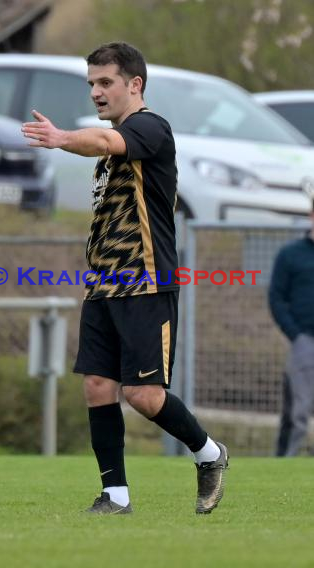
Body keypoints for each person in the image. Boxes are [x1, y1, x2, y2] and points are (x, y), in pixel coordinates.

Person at [22, 42, 228, 514]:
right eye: (91, 83)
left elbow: (104, 141)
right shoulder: (114, 144)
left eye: (106, 82)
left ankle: (209, 454)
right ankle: (115, 496)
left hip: (146, 282)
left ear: (134, 85)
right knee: (97, 385)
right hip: (104, 285)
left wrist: (60, 138)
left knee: (142, 395)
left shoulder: (150, 128)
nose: (96, 91)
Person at [269, 194, 314, 457]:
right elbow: (276, 297)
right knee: (298, 411)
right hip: (304, 341)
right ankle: (287, 462)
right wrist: (295, 334)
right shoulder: (290, 255)